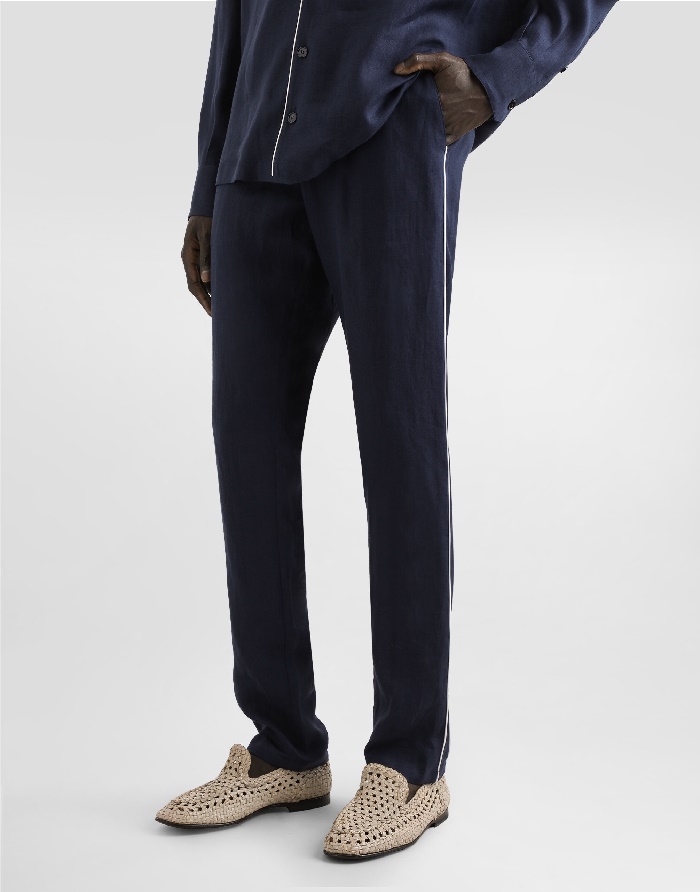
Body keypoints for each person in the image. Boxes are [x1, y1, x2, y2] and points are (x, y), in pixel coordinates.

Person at [156, 0, 620, 860]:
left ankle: (410, 761)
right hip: (256, 149)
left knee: (401, 443)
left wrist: (497, 78)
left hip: (392, 127)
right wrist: (208, 175)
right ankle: (285, 748)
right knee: (247, 446)